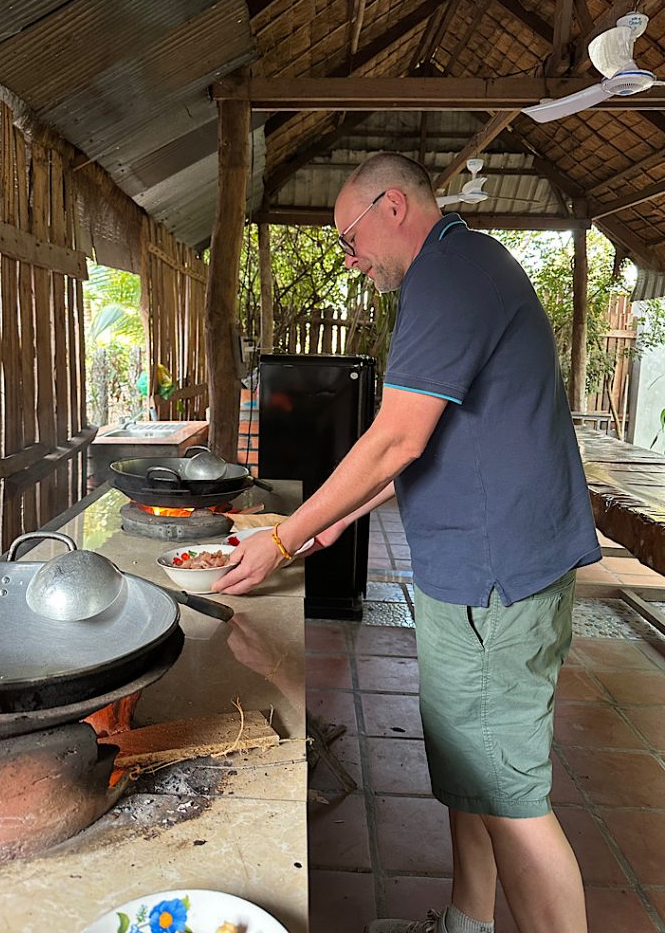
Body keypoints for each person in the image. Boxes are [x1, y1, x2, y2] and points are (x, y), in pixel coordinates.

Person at [212, 152, 600, 933]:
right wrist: (341, 516)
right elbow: (439, 438)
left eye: (351, 241)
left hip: (495, 578)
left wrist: (281, 542)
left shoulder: (451, 278)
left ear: (393, 207)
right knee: (472, 771)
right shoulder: (456, 267)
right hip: (479, 568)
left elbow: (395, 439)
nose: (351, 263)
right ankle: (466, 923)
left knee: (512, 799)